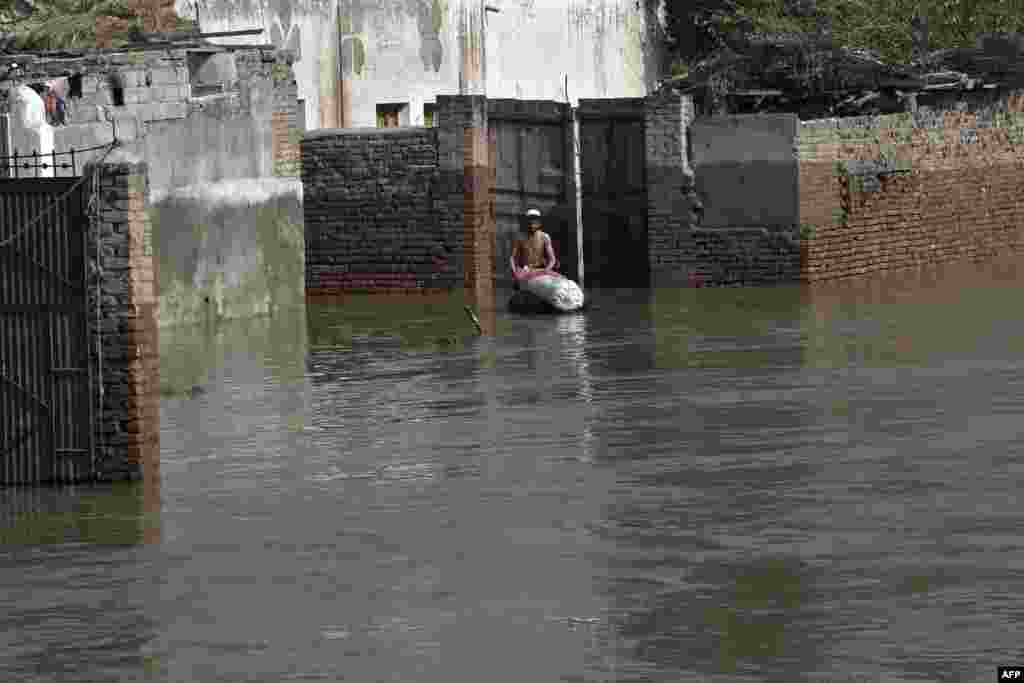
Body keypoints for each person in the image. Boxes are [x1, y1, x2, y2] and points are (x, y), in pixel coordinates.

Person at [510, 208, 557, 282]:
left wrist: (546, 270)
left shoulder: (544, 237)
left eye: (535, 220)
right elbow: (512, 258)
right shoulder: (520, 237)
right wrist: (515, 272)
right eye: (530, 220)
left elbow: (552, 259)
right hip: (525, 271)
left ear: (539, 223)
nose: (532, 223)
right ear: (526, 222)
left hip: (540, 270)